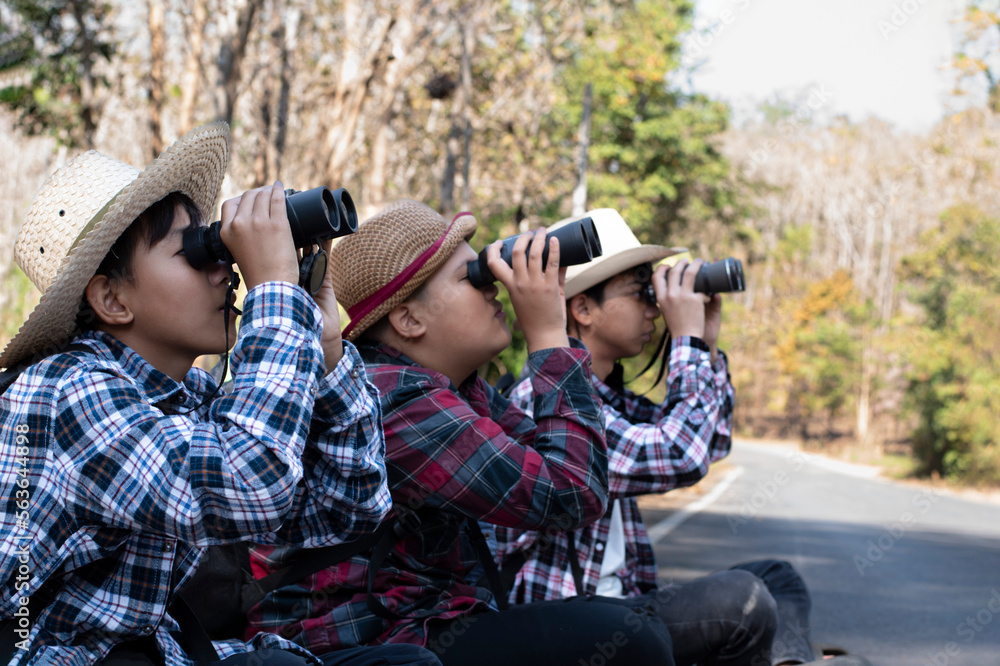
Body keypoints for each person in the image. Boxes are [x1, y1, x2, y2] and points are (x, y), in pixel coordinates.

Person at [0, 124, 440, 666]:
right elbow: (252, 482)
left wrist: (323, 345)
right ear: (112, 298)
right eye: (195, 252)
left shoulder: (186, 397)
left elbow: (347, 510)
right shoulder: (67, 391)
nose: (224, 268)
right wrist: (274, 292)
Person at [244, 200, 676, 666]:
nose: (493, 289)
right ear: (409, 319)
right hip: (381, 642)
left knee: (695, 611)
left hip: (435, 623)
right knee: (633, 638)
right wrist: (549, 332)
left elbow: (568, 469)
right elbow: (571, 494)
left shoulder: (457, 389)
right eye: (471, 276)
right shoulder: (394, 398)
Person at [499, 209, 865, 666]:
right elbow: (679, 455)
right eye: (640, 294)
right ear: (584, 308)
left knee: (778, 577)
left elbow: (711, 444)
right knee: (742, 598)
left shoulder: (607, 396)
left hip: (622, 606)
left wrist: (706, 346)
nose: (655, 308)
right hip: (572, 626)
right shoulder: (545, 399)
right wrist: (686, 340)